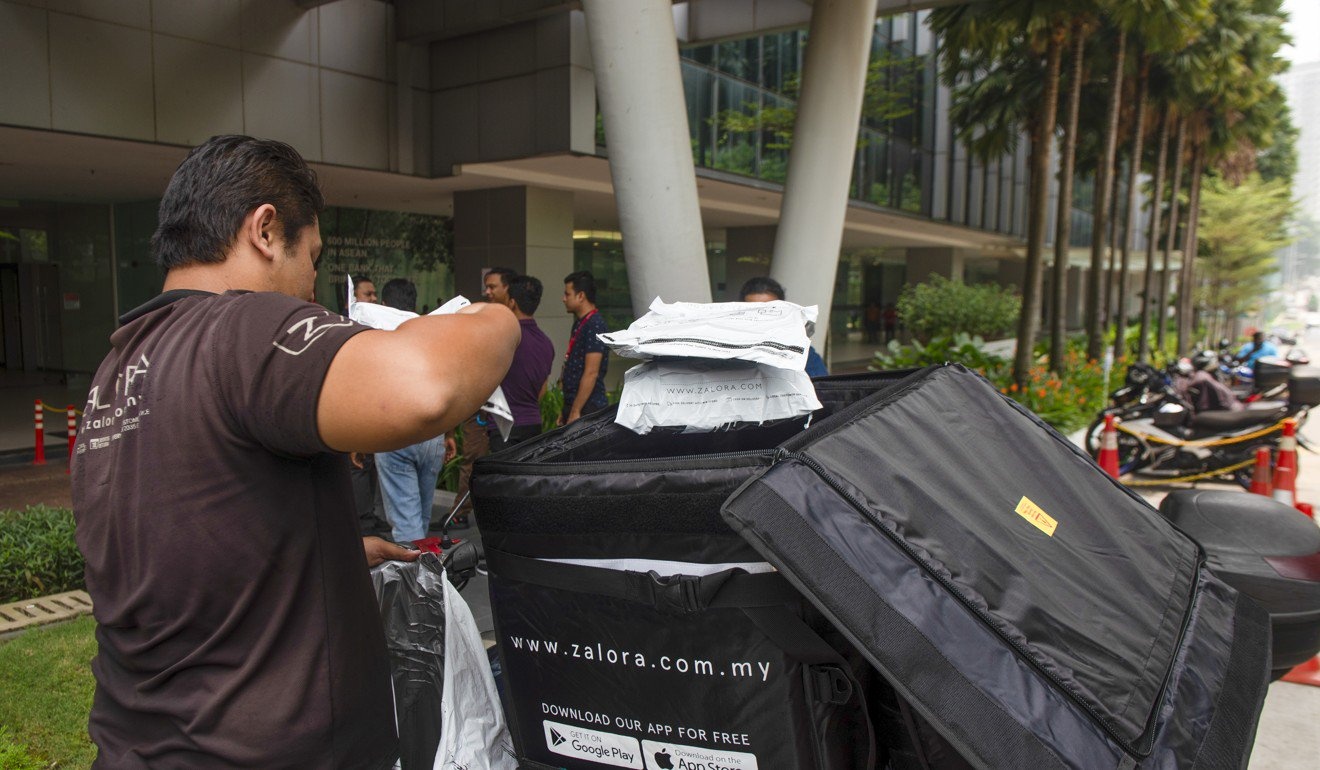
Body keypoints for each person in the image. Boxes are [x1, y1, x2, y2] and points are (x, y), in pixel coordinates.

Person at [71, 135, 519, 768]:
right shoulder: (245, 325)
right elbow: (426, 390)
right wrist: (496, 318)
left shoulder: (119, 365)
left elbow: (172, 539)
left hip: (139, 745)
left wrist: (323, 551)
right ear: (264, 229)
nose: (311, 286)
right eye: (311, 258)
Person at [374, 278, 450, 543]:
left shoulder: (378, 335)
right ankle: (426, 573)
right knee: (421, 520)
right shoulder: (434, 335)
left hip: (395, 432)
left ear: (384, 304)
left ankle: (416, 581)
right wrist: (448, 431)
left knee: (407, 524)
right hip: (432, 434)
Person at [448, 267, 518, 525]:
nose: (487, 292)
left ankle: (472, 514)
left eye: (493, 287)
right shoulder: (482, 319)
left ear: (508, 289)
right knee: (472, 460)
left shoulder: (511, 326)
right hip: (480, 409)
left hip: (501, 411)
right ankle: (463, 512)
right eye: (486, 287)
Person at [490, 274, 555, 450]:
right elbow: (542, 390)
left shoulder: (503, 337)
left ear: (512, 303)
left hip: (503, 424)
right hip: (533, 424)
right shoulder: (546, 343)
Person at [347, 274, 390, 538]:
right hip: (356, 420)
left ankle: (369, 516)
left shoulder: (377, 330)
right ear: (354, 299)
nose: (373, 299)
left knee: (369, 469)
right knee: (359, 469)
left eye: (375, 294)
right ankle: (361, 523)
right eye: (368, 294)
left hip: (375, 418)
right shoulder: (347, 333)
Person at [739, 276, 829, 377]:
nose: (762, 317)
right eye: (754, 311)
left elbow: (821, 386)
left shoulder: (802, 352)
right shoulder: (729, 351)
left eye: (771, 310)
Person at [560, 270, 610, 425]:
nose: (563, 299)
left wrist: (575, 411)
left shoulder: (595, 324)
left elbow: (591, 372)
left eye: (567, 294)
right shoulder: (580, 322)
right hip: (577, 405)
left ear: (581, 296)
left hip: (588, 407)